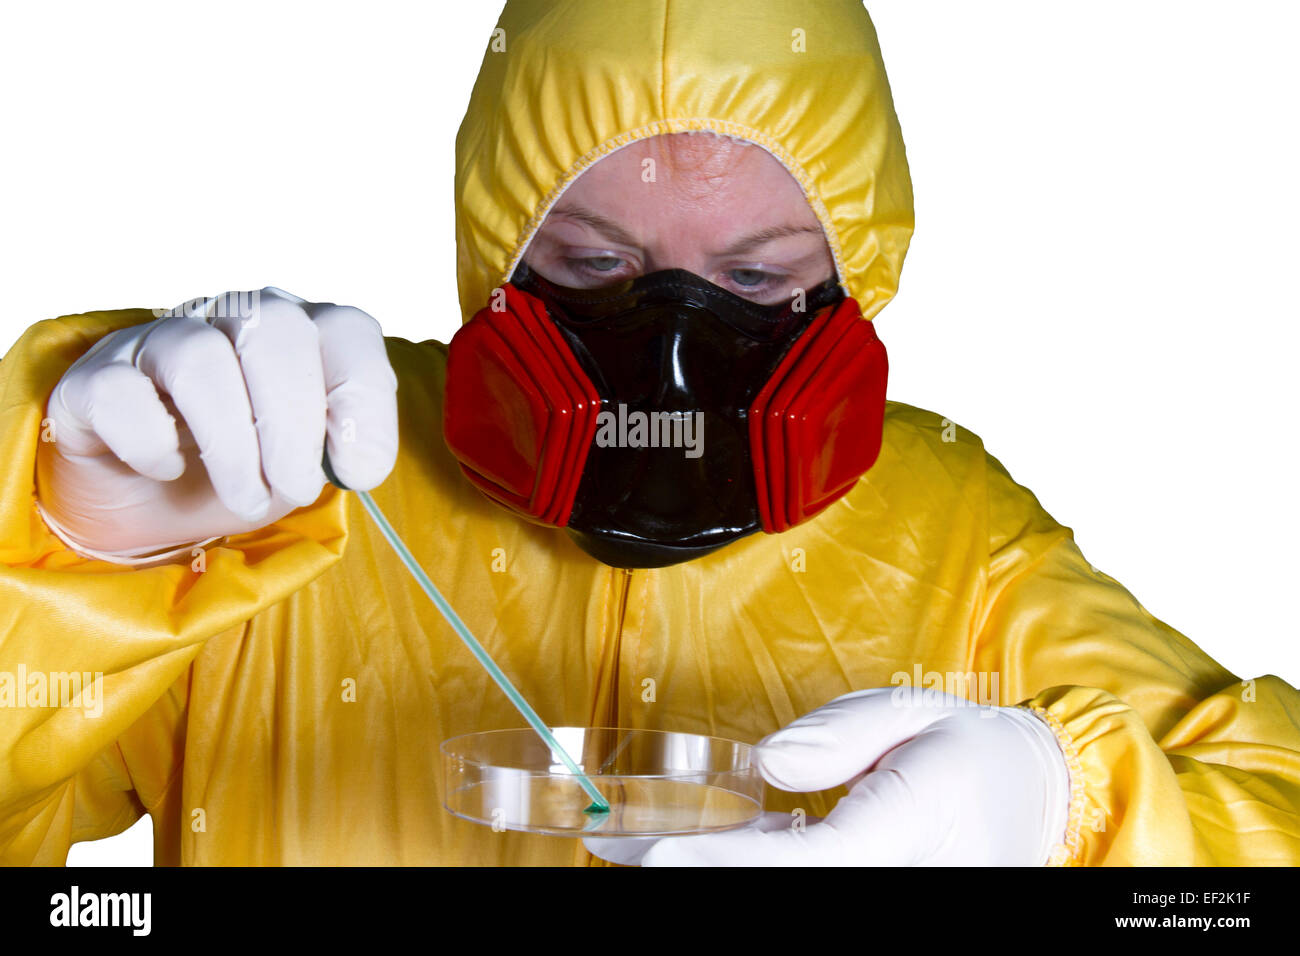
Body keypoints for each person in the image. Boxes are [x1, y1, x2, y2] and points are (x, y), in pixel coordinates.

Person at [2, 0, 1298, 866]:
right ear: (490, 256)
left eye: (755, 280)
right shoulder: (282, 472)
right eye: (590, 263)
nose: (671, 347)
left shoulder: (951, 540)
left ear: (860, 271)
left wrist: (1073, 820)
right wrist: (58, 546)